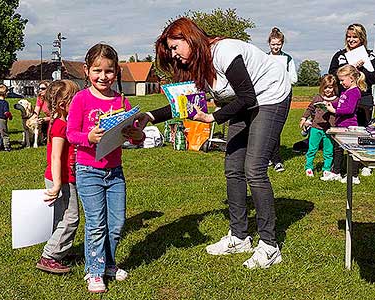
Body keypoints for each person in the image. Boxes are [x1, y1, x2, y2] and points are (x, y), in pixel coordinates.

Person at [138, 17, 292, 269]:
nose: (174, 55)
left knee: (254, 169)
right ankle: (239, 236)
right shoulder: (199, 66)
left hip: (271, 96)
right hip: (242, 102)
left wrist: (213, 117)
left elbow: (247, 95)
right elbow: (185, 103)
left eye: (175, 47)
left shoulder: (224, 52)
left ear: (188, 37)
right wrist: (150, 116)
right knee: (233, 167)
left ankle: (269, 245)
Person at [66, 43, 145, 293]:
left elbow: (133, 137)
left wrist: (136, 135)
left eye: (109, 71)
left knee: (117, 222)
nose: (103, 76)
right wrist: (88, 138)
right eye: (97, 70)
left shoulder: (121, 100)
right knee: (96, 223)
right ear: (86, 70)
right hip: (88, 170)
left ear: (116, 72)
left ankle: (109, 263)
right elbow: (70, 134)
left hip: (115, 172)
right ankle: (94, 271)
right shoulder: (81, 99)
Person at [36, 79, 81, 274]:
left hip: (61, 177)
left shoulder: (60, 121)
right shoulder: (61, 125)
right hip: (61, 178)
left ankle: (61, 249)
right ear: (63, 105)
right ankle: (50, 255)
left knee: (60, 217)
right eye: (76, 100)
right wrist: (56, 185)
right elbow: (55, 156)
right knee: (71, 218)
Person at [329, 23, 375, 177]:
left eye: (354, 36)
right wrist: (350, 69)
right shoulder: (340, 55)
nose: (351, 39)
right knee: (342, 133)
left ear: (362, 38)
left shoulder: (370, 55)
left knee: (362, 134)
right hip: (344, 99)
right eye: (348, 36)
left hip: (364, 99)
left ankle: (364, 163)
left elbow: (373, 78)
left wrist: (360, 70)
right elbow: (331, 77)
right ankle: (338, 167)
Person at [325, 64, 367, 184]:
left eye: (342, 80)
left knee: (351, 151)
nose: (341, 83)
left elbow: (349, 109)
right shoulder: (346, 91)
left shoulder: (355, 92)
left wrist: (334, 111)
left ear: (352, 78)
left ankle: (353, 176)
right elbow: (340, 102)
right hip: (340, 126)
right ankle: (336, 172)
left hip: (349, 126)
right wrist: (329, 104)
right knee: (337, 149)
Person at [267, 27, 298, 172]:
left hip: (283, 95)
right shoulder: (265, 57)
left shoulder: (287, 59)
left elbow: (294, 79)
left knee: (276, 128)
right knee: (266, 128)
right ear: (269, 44)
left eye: (278, 44)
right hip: (267, 95)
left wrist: (281, 74)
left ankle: (277, 159)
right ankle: (268, 157)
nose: (275, 47)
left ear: (282, 44)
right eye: (273, 44)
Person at [300, 75, 337, 178]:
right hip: (316, 128)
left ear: (334, 87)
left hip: (329, 129)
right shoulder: (317, 97)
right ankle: (309, 167)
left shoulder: (337, 100)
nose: (328, 90)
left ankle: (326, 169)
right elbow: (310, 108)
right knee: (312, 148)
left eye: (330, 87)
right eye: (325, 87)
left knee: (328, 151)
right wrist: (304, 118)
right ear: (322, 87)